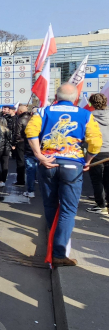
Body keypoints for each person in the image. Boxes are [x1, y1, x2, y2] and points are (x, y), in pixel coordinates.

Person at [26, 83, 102, 266]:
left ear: (56, 96)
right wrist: (88, 160)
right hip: (73, 165)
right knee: (68, 211)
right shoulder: (85, 114)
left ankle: (52, 247)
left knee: (50, 206)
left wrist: (39, 155)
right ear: (76, 98)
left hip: (48, 164)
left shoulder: (43, 112)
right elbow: (96, 142)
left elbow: (30, 131)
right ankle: (59, 253)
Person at [86, 93, 109, 215]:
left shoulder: (89, 116)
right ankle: (106, 203)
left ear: (91, 103)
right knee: (107, 179)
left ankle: (101, 204)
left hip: (96, 151)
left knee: (97, 180)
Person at [0, 117, 12, 201]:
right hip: (6, 149)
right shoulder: (7, 130)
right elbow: (10, 140)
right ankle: (2, 180)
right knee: (5, 164)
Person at [12, 104, 28, 186]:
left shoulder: (20, 120)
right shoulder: (32, 118)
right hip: (30, 142)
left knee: (20, 162)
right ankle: (31, 181)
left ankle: (21, 180)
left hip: (21, 143)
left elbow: (17, 134)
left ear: (21, 111)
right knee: (30, 162)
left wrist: (14, 143)